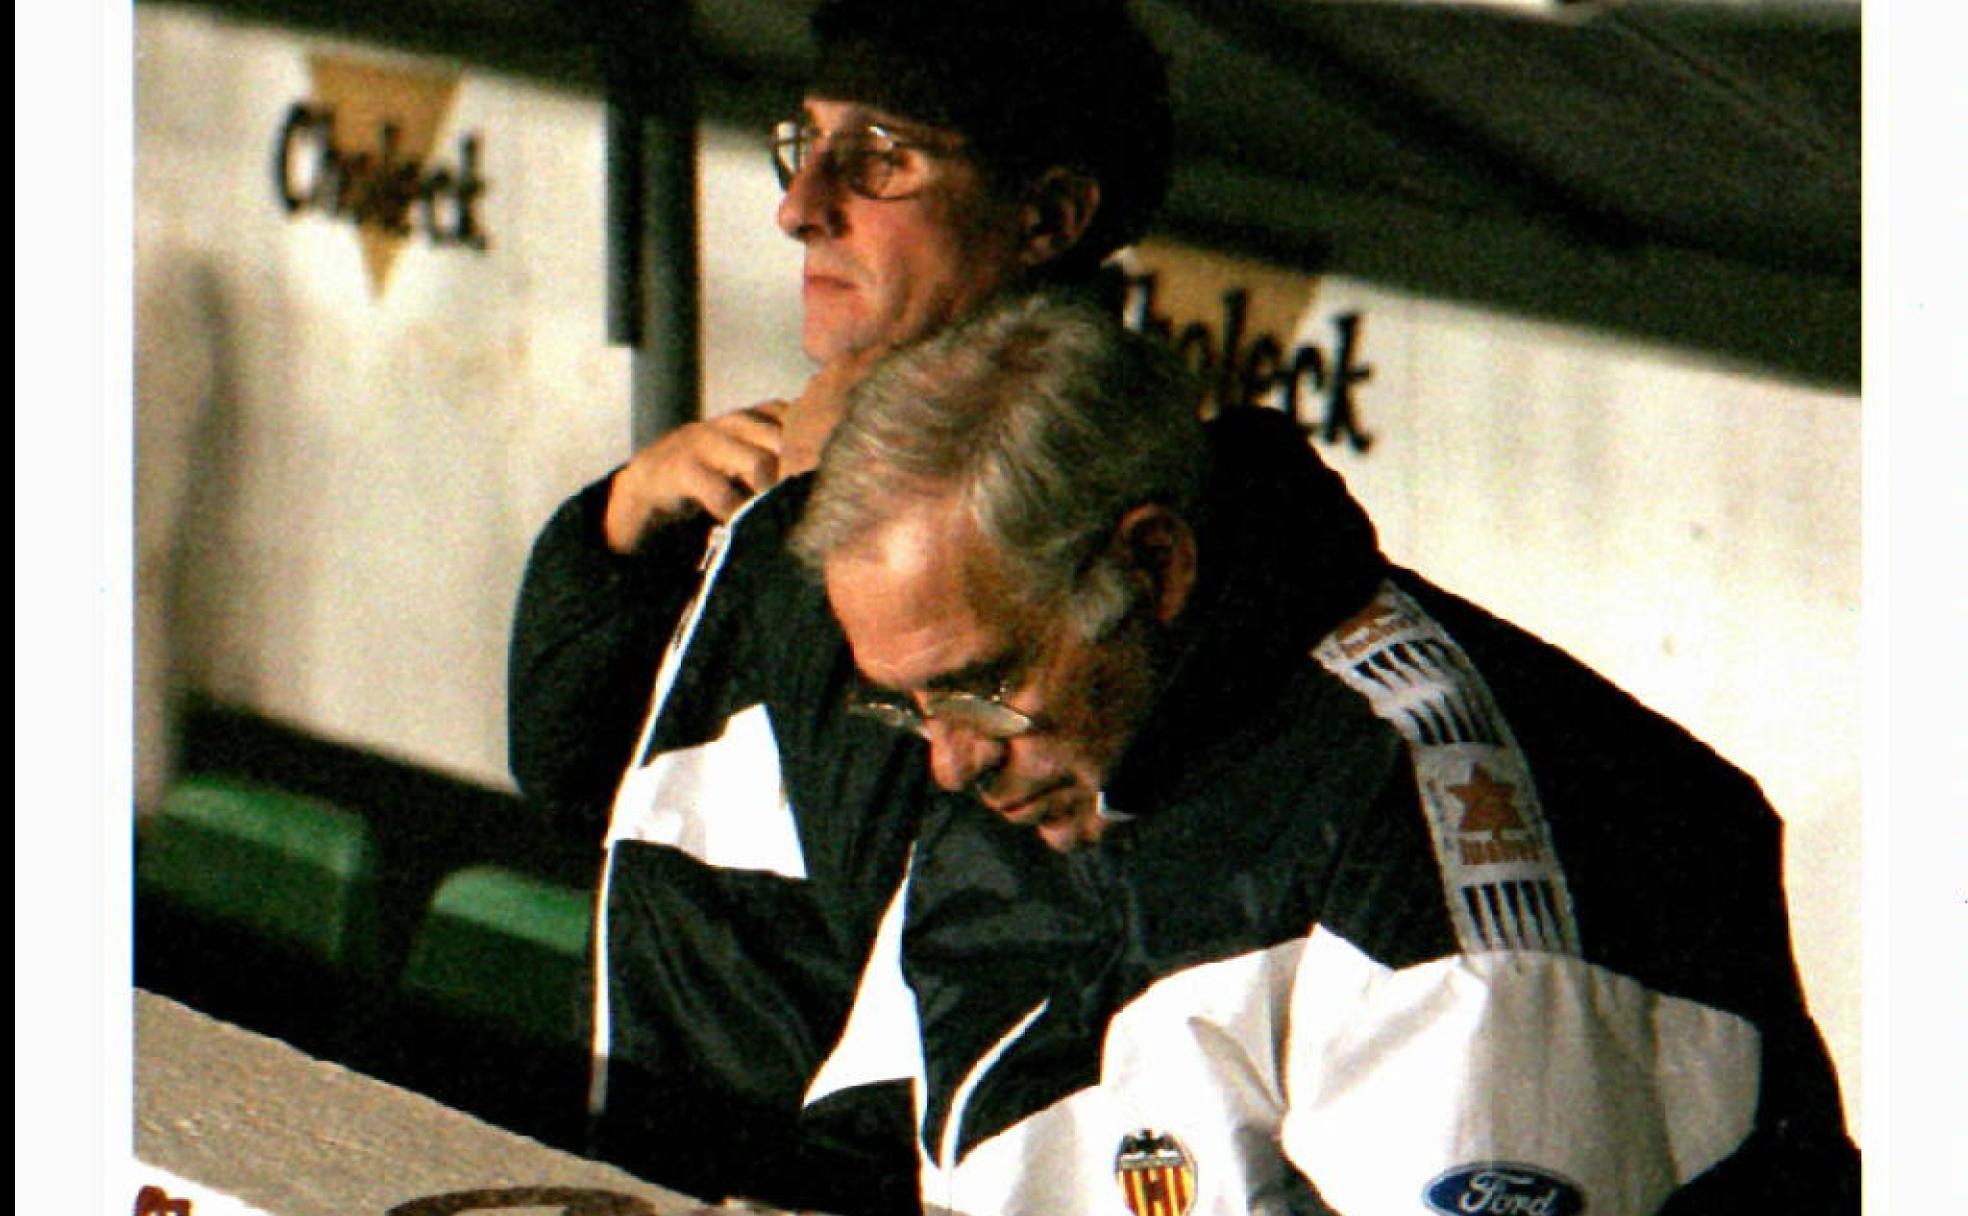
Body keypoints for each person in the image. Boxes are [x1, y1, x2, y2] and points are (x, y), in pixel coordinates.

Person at [790, 295, 1860, 1214]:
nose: (948, 760)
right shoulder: (1028, 767)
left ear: (1153, 565)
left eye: (984, 683)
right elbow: (864, 1156)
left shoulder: (1432, 820)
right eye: (908, 704)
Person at [505, 1, 1171, 1210]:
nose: (800, 205)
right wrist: (617, 532)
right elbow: (565, 769)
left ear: (1050, 218)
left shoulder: (1040, 541)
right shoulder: (777, 495)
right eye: (803, 145)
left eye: (882, 159)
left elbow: (914, 884)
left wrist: (819, 523)